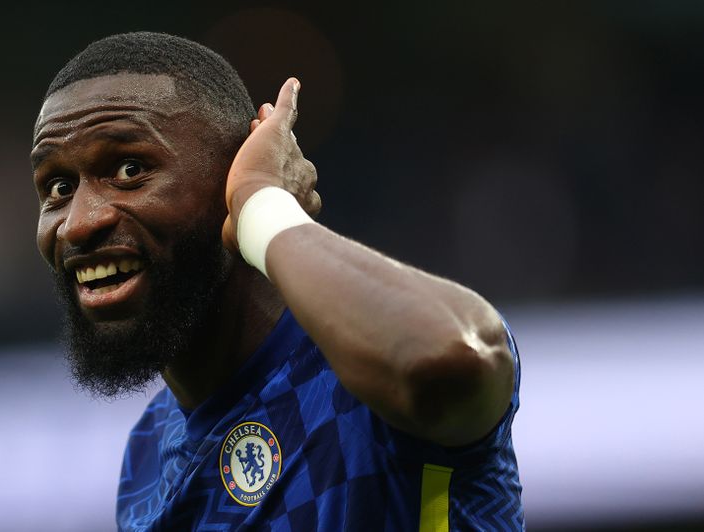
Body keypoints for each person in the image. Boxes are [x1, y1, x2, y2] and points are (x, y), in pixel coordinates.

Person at [31, 31, 523, 531]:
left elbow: (447, 360)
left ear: (233, 172)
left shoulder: (363, 364)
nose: (78, 222)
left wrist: (263, 202)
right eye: (58, 187)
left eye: (129, 169)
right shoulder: (147, 455)